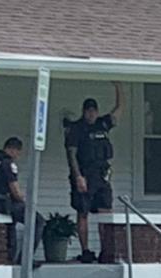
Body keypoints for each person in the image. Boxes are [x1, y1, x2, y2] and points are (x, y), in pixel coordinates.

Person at [64, 82, 124, 263]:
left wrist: (119, 88)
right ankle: (85, 251)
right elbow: (71, 154)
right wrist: (78, 177)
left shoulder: (102, 124)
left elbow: (119, 110)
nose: (91, 114)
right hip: (84, 174)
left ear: (97, 112)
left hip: (102, 176)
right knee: (83, 212)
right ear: (83, 112)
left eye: (93, 111)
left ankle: (106, 250)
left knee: (105, 212)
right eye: (88, 111)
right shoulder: (76, 128)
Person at [0, 137, 44, 264]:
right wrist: (24, 201)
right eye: (18, 152)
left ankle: (10, 257)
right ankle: (26, 258)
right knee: (37, 220)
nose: (17, 156)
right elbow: (15, 191)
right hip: (1, 202)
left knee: (12, 221)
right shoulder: (7, 163)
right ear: (13, 150)